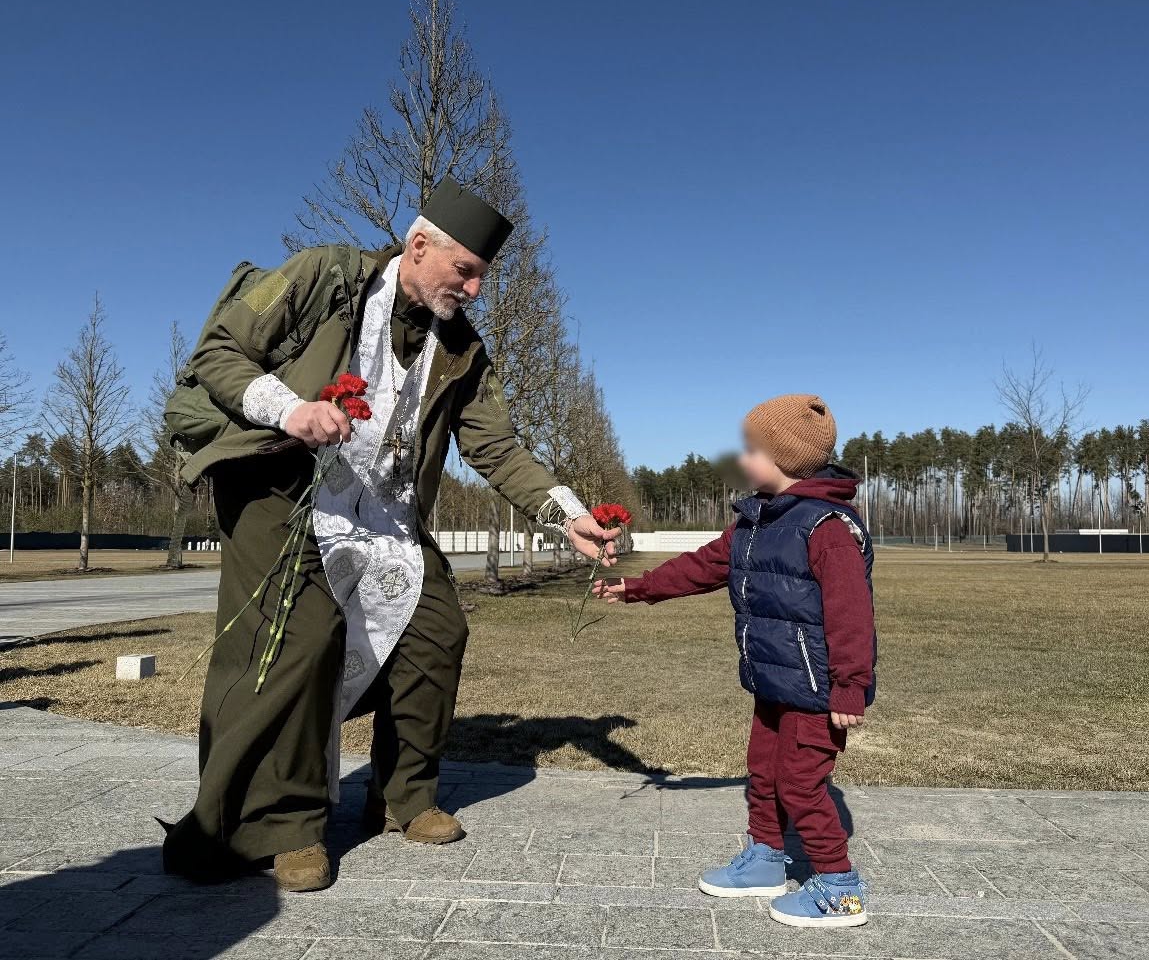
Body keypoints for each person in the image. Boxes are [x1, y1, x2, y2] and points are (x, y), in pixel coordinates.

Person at [162, 177, 620, 892]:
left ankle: (403, 792)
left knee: (439, 626)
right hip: (281, 485)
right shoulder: (324, 274)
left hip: (382, 510)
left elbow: (498, 447)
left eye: (481, 277)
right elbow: (219, 352)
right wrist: (291, 410)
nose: (472, 288)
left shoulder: (463, 349)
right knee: (302, 640)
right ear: (417, 245)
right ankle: (285, 824)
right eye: (464, 270)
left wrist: (566, 513)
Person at [594, 394, 876, 928]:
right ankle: (767, 859)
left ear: (786, 458)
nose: (743, 459)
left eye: (752, 450)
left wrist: (850, 687)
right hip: (771, 679)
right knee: (763, 771)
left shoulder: (828, 529)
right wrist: (637, 588)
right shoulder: (755, 523)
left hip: (816, 688)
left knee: (800, 782)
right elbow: (703, 566)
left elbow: (851, 616)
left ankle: (840, 886)